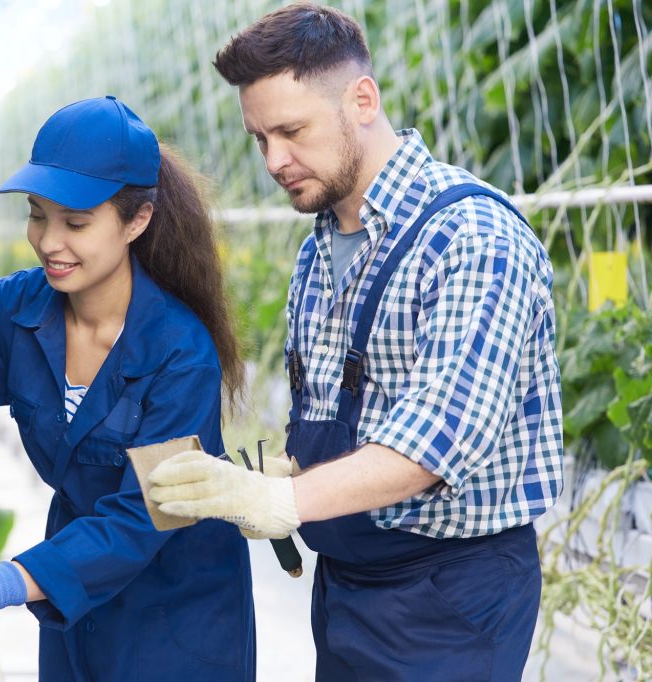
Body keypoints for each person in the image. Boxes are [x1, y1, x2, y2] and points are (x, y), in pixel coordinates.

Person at [147, 4, 563, 681]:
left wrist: (277, 502)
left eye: (291, 131)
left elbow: (439, 436)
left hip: (451, 596)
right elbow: (342, 404)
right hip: (347, 585)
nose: (275, 160)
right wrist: (288, 471)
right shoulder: (320, 251)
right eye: (259, 139)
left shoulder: (472, 237)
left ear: (362, 100)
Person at [0, 95, 255, 681]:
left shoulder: (181, 351)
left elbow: (143, 515)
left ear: (136, 221)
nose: (50, 241)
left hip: (175, 615)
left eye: (75, 223)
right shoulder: (16, 311)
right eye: (37, 215)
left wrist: (6, 583)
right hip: (75, 608)